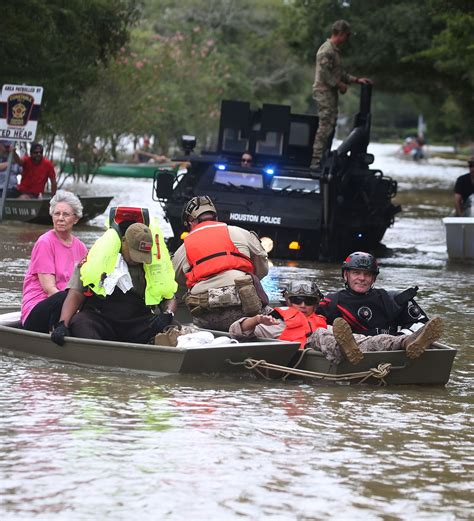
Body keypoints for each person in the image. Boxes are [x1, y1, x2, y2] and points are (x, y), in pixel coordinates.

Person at [229, 280, 443, 365]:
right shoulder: (271, 319)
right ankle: (347, 348)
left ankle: (408, 342)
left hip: (338, 338)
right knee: (324, 337)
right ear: (287, 301)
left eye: (309, 301)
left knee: (369, 339)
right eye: (297, 300)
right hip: (309, 345)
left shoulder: (321, 320)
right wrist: (256, 320)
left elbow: (337, 331)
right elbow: (235, 332)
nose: (302, 305)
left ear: (317, 303)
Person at [50, 219, 178, 346]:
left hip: (136, 321)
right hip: (102, 318)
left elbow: (169, 297)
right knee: (81, 322)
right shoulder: (95, 260)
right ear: (123, 242)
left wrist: (167, 314)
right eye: (135, 254)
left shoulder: (153, 266)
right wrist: (63, 324)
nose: (138, 260)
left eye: (143, 255)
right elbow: (76, 293)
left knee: (173, 327)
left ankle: (150, 349)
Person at [316, 251, 443, 359]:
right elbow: (312, 325)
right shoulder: (331, 302)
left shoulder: (392, 300)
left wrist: (400, 338)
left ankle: (405, 343)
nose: (362, 278)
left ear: (374, 279)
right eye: (356, 273)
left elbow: (423, 325)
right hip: (353, 355)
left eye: (367, 274)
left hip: (393, 351)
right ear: (345, 275)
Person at [172, 195, 270, 331]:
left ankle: (186, 331)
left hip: (206, 315)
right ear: (215, 216)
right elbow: (263, 268)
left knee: (178, 298)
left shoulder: (183, 249)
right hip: (246, 308)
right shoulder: (240, 233)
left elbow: (175, 283)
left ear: (190, 221)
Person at [21, 191, 88, 333]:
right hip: (37, 309)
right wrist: (72, 310)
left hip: (65, 306)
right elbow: (49, 289)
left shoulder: (81, 247)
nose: (60, 218)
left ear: (75, 219)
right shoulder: (45, 242)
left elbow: (84, 285)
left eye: (66, 214)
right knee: (65, 295)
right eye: (57, 214)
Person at [311, 20, 373, 169]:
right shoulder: (326, 51)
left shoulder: (334, 51)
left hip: (330, 93)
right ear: (340, 34)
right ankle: (316, 162)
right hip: (324, 92)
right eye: (346, 35)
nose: (347, 39)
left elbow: (339, 73)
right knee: (325, 126)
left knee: (331, 126)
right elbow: (325, 74)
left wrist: (356, 80)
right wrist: (340, 85)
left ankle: (325, 159)